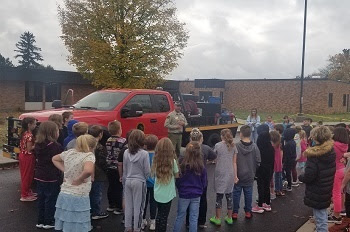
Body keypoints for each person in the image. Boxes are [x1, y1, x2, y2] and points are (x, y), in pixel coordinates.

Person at [52, 134, 97, 232]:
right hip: (79, 194)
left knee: (66, 220)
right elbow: (88, 170)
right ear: (91, 147)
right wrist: (80, 179)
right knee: (78, 222)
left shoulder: (69, 152)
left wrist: (65, 170)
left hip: (65, 191)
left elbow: (54, 159)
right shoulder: (88, 156)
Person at [299, 126, 335, 232]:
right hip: (326, 186)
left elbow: (310, 175)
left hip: (317, 189)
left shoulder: (314, 155)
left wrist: (301, 177)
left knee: (320, 217)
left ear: (316, 138)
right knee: (321, 213)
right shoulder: (331, 150)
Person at [34, 121, 63, 229]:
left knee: (41, 198)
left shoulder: (38, 144)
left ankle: (40, 220)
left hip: (39, 174)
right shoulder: (56, 146)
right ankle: (49, 221)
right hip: (51, 175)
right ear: (53, 133)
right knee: (51, 198)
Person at [185, 128, 216, 228]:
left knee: (189, 200)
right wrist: (207, 161)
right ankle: (201, 222)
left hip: (189, 178)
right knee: (202, 200)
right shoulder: (206, 148)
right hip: (202, 178)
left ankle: (189, 222)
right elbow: (214, 156)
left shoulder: (187, 148)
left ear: (190, 138)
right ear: (201, 138)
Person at [173, 142, 207, 232]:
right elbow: (204, 181)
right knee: (194, 217)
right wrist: (201, 189)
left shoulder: (182, 164)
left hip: (184, 193)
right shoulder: (201, 165)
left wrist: (179, 188)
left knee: (180, 216)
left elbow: (178, 179)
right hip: (196, 194)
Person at [123, 130, 151, 232]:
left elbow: (125, 170)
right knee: (139, 206)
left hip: (128, 180)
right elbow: (147, 170)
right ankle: (137, 228)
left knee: (129, 205)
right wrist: (147, 177)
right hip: (139, 181)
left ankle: (128, 227)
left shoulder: (126, 152)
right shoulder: (144, 154)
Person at [233, 125, 261, 220]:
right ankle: (248, 211)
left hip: (238, 174)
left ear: (240, 134)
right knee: (248, 193)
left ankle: (235, 212)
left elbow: (233, 160)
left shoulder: (236, 146)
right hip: (250, 174)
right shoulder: (254, 146)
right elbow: (258, 160)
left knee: (236, 193)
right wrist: (253, 169)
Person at [210, 129, 237, 225]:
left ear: (221, 136)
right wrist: (235, 176)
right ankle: (229, 217)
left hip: (220, 172)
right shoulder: (233, 146)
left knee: (219, 196)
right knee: (229, 196)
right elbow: (234, 162)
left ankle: (217, 218)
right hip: (230, 172)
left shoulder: (217, 145)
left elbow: (214, 158)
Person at [152, 138, 179, 232]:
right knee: (164, 216)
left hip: (157, 193)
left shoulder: (155, 161)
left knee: (159, 214)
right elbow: (177, 174)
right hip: (168, 194)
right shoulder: (172, 162)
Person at [328, 127, 349, 224]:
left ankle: (336, 215)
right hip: (343, 169)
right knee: (341, 192)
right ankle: (340, 209)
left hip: (336, 170)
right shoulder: (344, 145)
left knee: (336, 193)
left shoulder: (334, 145)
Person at [252, 124, 274, 213]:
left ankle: (260, 205)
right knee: (266, 186)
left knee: (260, 186)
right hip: (269, 169)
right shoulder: (271, 148)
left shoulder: (259, 148)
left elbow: (257, 160)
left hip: (261, 169)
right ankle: (267, 204)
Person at [89, 125, 109, 220]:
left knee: (90, 192)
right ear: (100, 134)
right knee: (97, 193)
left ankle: (90, 210)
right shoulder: (100, 147)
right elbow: (102, 162)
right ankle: (96, 211)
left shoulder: (87, 145)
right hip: (99, 173)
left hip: (89, 171)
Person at [105, 120, 126, 214]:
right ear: (119, 130)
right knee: (119, 187)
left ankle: (111, 204)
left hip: (109, 165)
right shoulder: (123, 141)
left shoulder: (108, 141)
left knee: (111, 185)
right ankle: (119, 206)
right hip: (118, 166)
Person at [142, 135, 159, 231]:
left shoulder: (143, 154)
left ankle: (143, 219)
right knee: (153, 202)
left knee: (144, 201)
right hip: (154, 183)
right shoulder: (157, 156)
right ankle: (153, 221)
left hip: (144, 182)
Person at [19, 117, 37, 201]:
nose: (35, 125)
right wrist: (37, 144)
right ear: (29, 125)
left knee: (26, 174)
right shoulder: (29, 135)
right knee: (27, 175)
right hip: (28, 156)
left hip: (23, 155)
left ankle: (27, 191)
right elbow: (30, 148)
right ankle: (24, 194)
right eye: (34, 124)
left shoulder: (24, 133)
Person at [270, 130, 284, 197]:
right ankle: (279, 189)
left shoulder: (271, 146)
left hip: (273, 161)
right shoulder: (279, 144)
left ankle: (272, 191)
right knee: (279, 176)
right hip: (279, 162)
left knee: (271, 177)